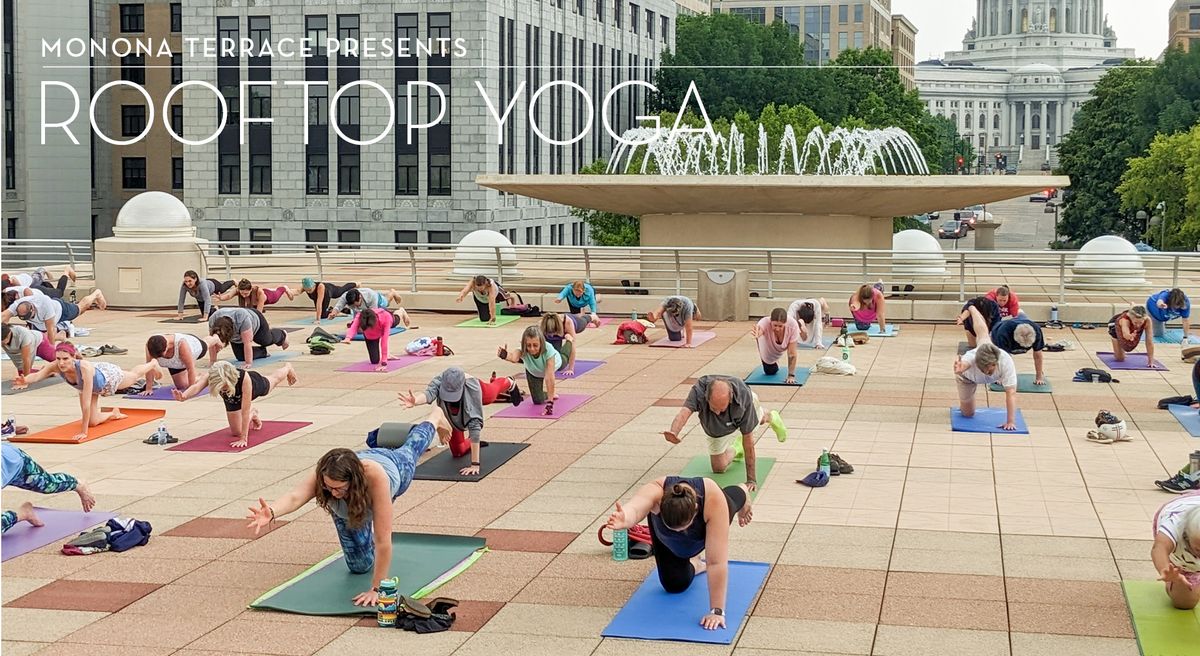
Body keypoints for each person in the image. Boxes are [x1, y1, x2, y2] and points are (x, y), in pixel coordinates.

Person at [244, 406, 448, 606]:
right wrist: (271, 512)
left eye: (339, 488)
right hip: (352, 479)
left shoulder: (375, 478)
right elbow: (295, 497)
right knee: (360, 566)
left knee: (412, 447)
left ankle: (434, 418)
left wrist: (377, 589)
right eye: (328, 487)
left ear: (353, 482)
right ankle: (360, 534)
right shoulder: (326, 474)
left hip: (393, 465)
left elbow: (383, 539)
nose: (332, 493)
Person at [605, 476, 753, 630]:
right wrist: (625, 518)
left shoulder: (713, 500)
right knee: (674, 585)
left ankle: (741, 491)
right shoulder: (655, 490)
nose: (680, 533)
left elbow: (716, 563)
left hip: (708, 518)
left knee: (730, 503)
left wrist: (717, 611)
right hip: (667, 538)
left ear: (695, 508)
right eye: (674, 529)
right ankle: (695, 563)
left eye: (682, 529)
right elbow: (635, 507)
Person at [14, 343, 158, 442]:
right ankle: (114, 414)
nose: (61, 363)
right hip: (88, 387)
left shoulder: (84, 368)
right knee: (93, 422)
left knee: (133, 376)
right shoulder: (56, 366)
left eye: (65, 359)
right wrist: (25, 380)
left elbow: (86, 402)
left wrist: (84, 432)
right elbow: (38, 376)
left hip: (107, 378)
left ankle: (152, 364)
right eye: (58, 359)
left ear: (73, 357)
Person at [664, 376, 788, 490]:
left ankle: (770, 416)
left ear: (730, 398)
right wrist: (674, 432)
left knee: (756, 421)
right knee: (719, 468)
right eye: (713, 408)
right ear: (706, 397)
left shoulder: (744, 398)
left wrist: (751, 480)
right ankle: (737, 448)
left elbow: (749, 442)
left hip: (742, 411)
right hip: (715, 426)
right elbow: (684, 413)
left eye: (721, 409)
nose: (717, 413)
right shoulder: (698, 391)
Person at [397, 367, 521, 477]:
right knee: (458, 452)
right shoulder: (439, 381)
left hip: (478, 389)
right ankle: (472, 443)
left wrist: (475, 464)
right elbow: (429, 394)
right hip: (452, 415)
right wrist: (415, 401)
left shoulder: (472, 390)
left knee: (491, 394)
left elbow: (475, 426)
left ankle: (509, 382)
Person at [174, 360, 297, 448]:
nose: (222, 388)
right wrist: (184, 396)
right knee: (236, 432)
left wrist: (244, 438)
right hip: (231, 398)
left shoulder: (244, 378)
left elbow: (244, 410)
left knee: (273, 380)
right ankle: (253, 415)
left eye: (224, 386)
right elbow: (196, 387)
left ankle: (287, 368)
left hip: (254, 387)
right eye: (220, 387)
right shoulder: (211, 375)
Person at [2, 442, 95, 534]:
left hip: (13, 462)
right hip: (5, 465)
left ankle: (77, 484)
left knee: (48, 485)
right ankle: (23, 514)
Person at [952, 317, 1019, 431]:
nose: (987, 373)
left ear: (994, 363)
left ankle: (973, 308)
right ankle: (973, 308)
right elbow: (965, 363)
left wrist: (1010, 421)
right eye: (983, 370)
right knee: (968, 413)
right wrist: (961, 367)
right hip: (967, 378)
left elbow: (1011, 392)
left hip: (991, 355)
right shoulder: (971, 356)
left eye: (989, 370)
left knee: (984, 337)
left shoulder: (1005, 361)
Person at [498, 326, 568, 414]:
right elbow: (513, 358)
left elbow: (549, 378)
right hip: (534, 371)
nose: (531, 349)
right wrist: (505, 355)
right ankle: (551, 393)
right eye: (528, 345)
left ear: (541, 343)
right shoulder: (522, 349)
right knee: (537, 400)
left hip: (557, 363)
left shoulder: (548, 348)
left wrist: (550, 403)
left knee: (565, 358)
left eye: (535, 345)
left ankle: (569, 342)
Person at [1, 289, 107, 346]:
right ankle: (60, 335)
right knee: (37, 340)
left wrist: (52, 355)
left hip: (60, 310)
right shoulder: (17, 305)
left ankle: (96, 294)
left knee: (80, 309)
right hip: (40, 323)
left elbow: (50, 330)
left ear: (33, 309)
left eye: (29, 317)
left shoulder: (44, 304)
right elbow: (3, 316)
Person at [1150, 495, 1200, 610]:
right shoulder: (1174, 524)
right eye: (1199, 549)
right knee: (1185, 603)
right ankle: (1176, 581)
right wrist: (1166, 570)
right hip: (1180, 506)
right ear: (1186, 536)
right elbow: (1159, 548)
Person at [207, 306, 289, 368]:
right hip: (235, 333)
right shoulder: (213, 320)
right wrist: (212, 361)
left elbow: (247, 343)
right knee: (241, 357)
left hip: (256, 322)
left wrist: (248, 363)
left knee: (266, 340)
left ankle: (282, 335)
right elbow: (212, 343)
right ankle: (263, 352)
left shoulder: (242, 318)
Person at [143, 333, 220, 393]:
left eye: (162, 355)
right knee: (182, 386)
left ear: (166, 347)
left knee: (206, 344)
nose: (160, 358)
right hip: (174, 364)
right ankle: (199, 377)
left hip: (194, 348)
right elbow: (149, 367)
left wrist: (191, 390)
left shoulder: (181, 344)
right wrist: (149, 388)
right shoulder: (150, 345)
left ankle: (215, 338)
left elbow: (190, 368)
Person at [988, 315, 1047, 385]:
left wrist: (1039, 377)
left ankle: (1019, 313)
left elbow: (1038, 355)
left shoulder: (1037, 331)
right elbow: (1003, 358)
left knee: (1021, 316)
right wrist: (1001, 377)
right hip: (999, 328)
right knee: (997, 355)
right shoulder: (1002, 334)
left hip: (1024, 321)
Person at [342, 306, 402, 371]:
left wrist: (384, 362)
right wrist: (348, 338)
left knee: (396, 320)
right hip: (371, 336)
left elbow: (384, 340)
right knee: (374, 361)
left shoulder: (385, 317)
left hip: (389, 318)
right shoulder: (360, 315)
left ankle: (401, 311)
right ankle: (387, 354)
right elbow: (354, 326)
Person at [750, 308, 800, 383]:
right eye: (775, 325)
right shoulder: (764, 322)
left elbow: (792, 354)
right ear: (770, 321)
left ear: (785, 323)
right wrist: (758, 334)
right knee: (770, 371)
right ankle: (773, 361)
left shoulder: (793, 325)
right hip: (767, 343)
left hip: (784, 344)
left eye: (780, 326)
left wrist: (791, 375)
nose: (777, 329)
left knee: (791, 354)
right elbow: (760, 330)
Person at [327, 287, 408, 324]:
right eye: (353, 305)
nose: (356, 306)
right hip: (361, 309)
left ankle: (392, 292)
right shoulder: (345, 296)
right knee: (357, 316)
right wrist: (333, 313)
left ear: (360, 297)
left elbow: (374, 314)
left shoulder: (370, 295)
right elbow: (338, 307)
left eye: (357, 304)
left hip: (377, 301)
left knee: (386, 303)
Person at [214, 278, 295, 313]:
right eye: (242, 293)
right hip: (254, 302)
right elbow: (229, 296)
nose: (244, 295)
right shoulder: (239, 289)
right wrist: (221, 298)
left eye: (246, 293)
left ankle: (284, 288)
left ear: (250, 290)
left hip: (269, 296)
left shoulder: (258, 292)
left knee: (277, 293)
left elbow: (259, 312)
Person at [2, 266, 76, 301]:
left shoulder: (8, 286)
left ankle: (66, 271)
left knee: (59, 292)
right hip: (32, 287)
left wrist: (20, 287)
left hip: (36, 290)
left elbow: (13, 280)